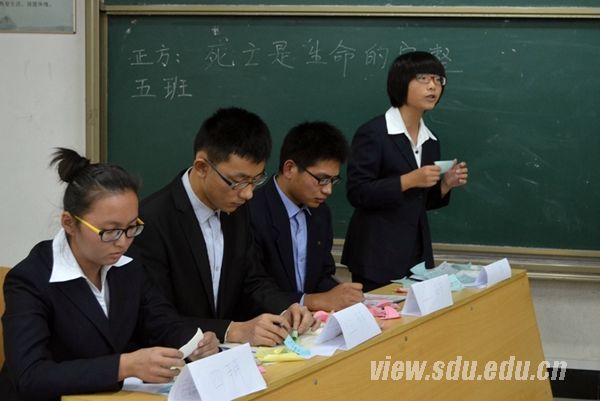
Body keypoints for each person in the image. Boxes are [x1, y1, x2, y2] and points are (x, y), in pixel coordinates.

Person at [0, 148, 219, 401]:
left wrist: (195, 343)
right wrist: (124, 366)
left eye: (131, 227)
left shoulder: (128, 263)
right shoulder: (30, 280)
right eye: (110, 231)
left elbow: (160, 318)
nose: (123, 242)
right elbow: (31, 376)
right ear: (69, 223)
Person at [133, 107, 314, 347]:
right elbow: (155, 316)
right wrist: (231, 330)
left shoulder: (236, 208)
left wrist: (285, 309)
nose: (248, 193)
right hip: (176, 357)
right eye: (238, 182)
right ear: (201, 167)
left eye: (256, 180)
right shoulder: (151, 220)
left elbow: (252, 280)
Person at [342, 51, 469, 292]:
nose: (433, 86)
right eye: (423, 78)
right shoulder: (374, 133)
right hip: (376, 254)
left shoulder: (430, 140)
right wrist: (408, 180)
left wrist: (445, 185)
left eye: (438, 80)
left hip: (416, 255)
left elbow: (419, 201)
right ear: (400, 82)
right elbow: (357, 193)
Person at [248, 121, 364, 312]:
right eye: (322, 179)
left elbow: (322, 275)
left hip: (311, 322)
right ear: (290, 169)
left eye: (333, 180)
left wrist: (343, 295)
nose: (328, 190)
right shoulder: (251, 212)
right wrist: (311, 301)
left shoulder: (321, 212)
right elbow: (252, 289)